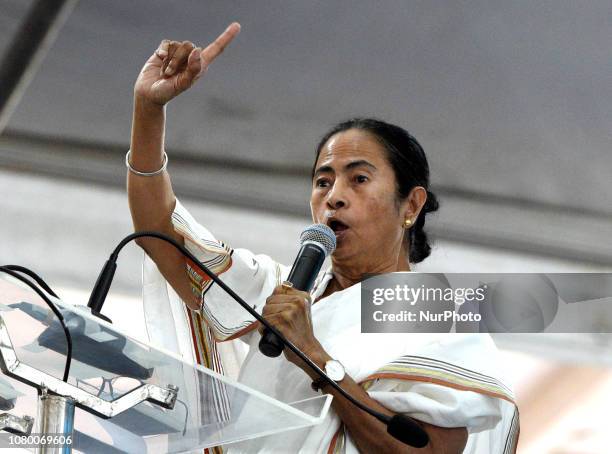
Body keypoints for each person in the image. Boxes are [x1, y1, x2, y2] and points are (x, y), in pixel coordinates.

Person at [127, 22, 519, 454]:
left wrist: (312, 354)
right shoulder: (284, 297)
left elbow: (431, 451)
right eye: (322, 181)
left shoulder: (435, 314)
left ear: (410, 205)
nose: (334, 197)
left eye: (359, 179)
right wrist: (149, 109)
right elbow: (161, 233)